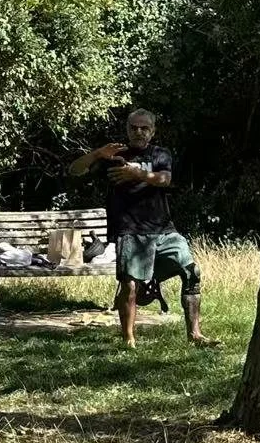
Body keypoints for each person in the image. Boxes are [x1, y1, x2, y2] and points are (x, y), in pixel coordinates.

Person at [70, 108, 218, 348]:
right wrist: (97, 154)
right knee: (130, 286)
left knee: (192, 272)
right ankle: (128, 339)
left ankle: (195, 335)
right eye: (134, 127)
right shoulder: (114, 154)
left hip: (163, 229)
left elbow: (164, 180)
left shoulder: (160, 154)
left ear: (153, 131)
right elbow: (74, 170)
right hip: (130, 230)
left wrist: (136, 173)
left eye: (144, 128)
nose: (139, 132)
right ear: (127, 129)